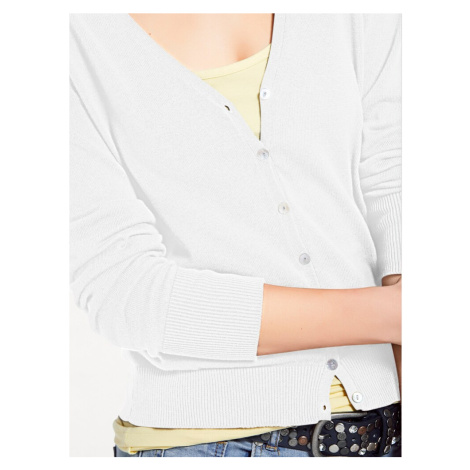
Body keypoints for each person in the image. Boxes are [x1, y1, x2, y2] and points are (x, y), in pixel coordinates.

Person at [69, 13, 402, 457]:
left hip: (390, 429)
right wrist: (388, 314)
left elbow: (395, 184)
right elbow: (125, 294)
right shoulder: (72, 42)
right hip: (207, 445)